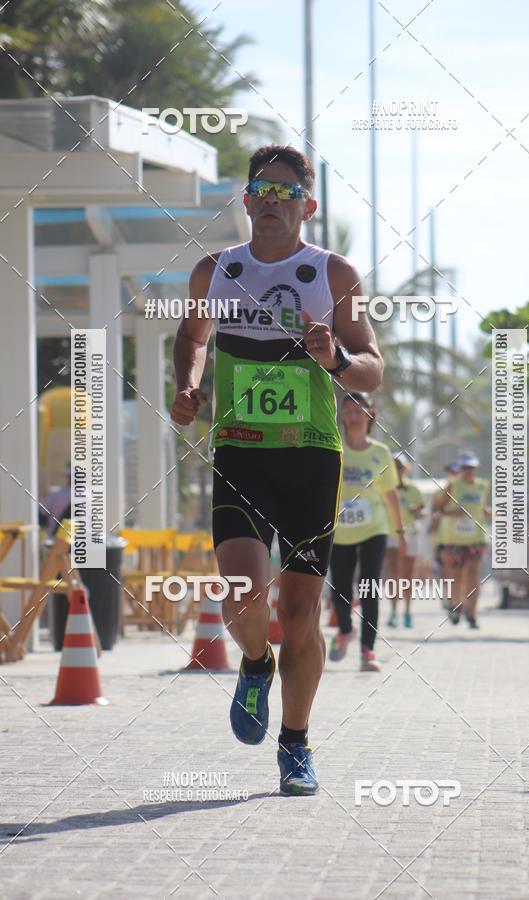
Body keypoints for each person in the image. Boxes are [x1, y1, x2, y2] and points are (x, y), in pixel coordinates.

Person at [170, 145, 384, 796]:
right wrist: (189, 385)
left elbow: (373, 363)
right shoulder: (216, 270)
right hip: (239, 450)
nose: (269, 199)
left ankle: (295, 744)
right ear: (246, 199)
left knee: (299, 611)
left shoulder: (333, 273)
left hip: (312, 457)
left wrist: (335, 361)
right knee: (241, 589)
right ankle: (255, 665)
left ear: (307, 207)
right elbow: (193, 337)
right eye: (260, 188)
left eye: (284, 191)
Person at [328, 393, 406, 670]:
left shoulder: (380, 453)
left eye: (359, 409)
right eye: (348, 410)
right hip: (340, 530)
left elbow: (390, 494)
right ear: (342, 416)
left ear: (370, 414)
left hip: (375, 528)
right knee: (340, 586)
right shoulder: (334, 447)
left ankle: (367, 651)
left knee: (369, 586)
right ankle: (345, 630)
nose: (353, 414)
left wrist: (400, 529)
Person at [439, 452, 491, 628]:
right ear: (460, 469)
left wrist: (495, 514)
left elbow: (482, 508)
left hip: (476, 537)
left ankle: (472, 613)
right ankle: (455, 605)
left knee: (474, 575)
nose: (469, 471)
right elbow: (438, 509)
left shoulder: (482, 486)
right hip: (455, 539)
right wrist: (452, 513)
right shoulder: (452, 486)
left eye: (472, 468)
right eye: (465, 468)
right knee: (457, 576)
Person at [385, 455, 424, 628]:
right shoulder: (383, 488)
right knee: (393, 574)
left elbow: (422, 510)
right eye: (393, 467)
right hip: (390, 534)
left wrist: (417, 511)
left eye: (399, 467)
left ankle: (408, 611)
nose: (396, 470)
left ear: (404, 469)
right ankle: (393, 611)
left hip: (411, 534)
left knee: (408, 576)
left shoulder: (414, 489)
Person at [429, 461, 460, 608]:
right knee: (447, 570)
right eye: (450, 472)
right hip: (444, 537)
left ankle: (460, 600)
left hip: (466, 538)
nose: (452, 475)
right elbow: (434, 514)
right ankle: (450, 599)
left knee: (462, 571)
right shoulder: (440, 491)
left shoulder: (470, 490)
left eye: (455, 472)